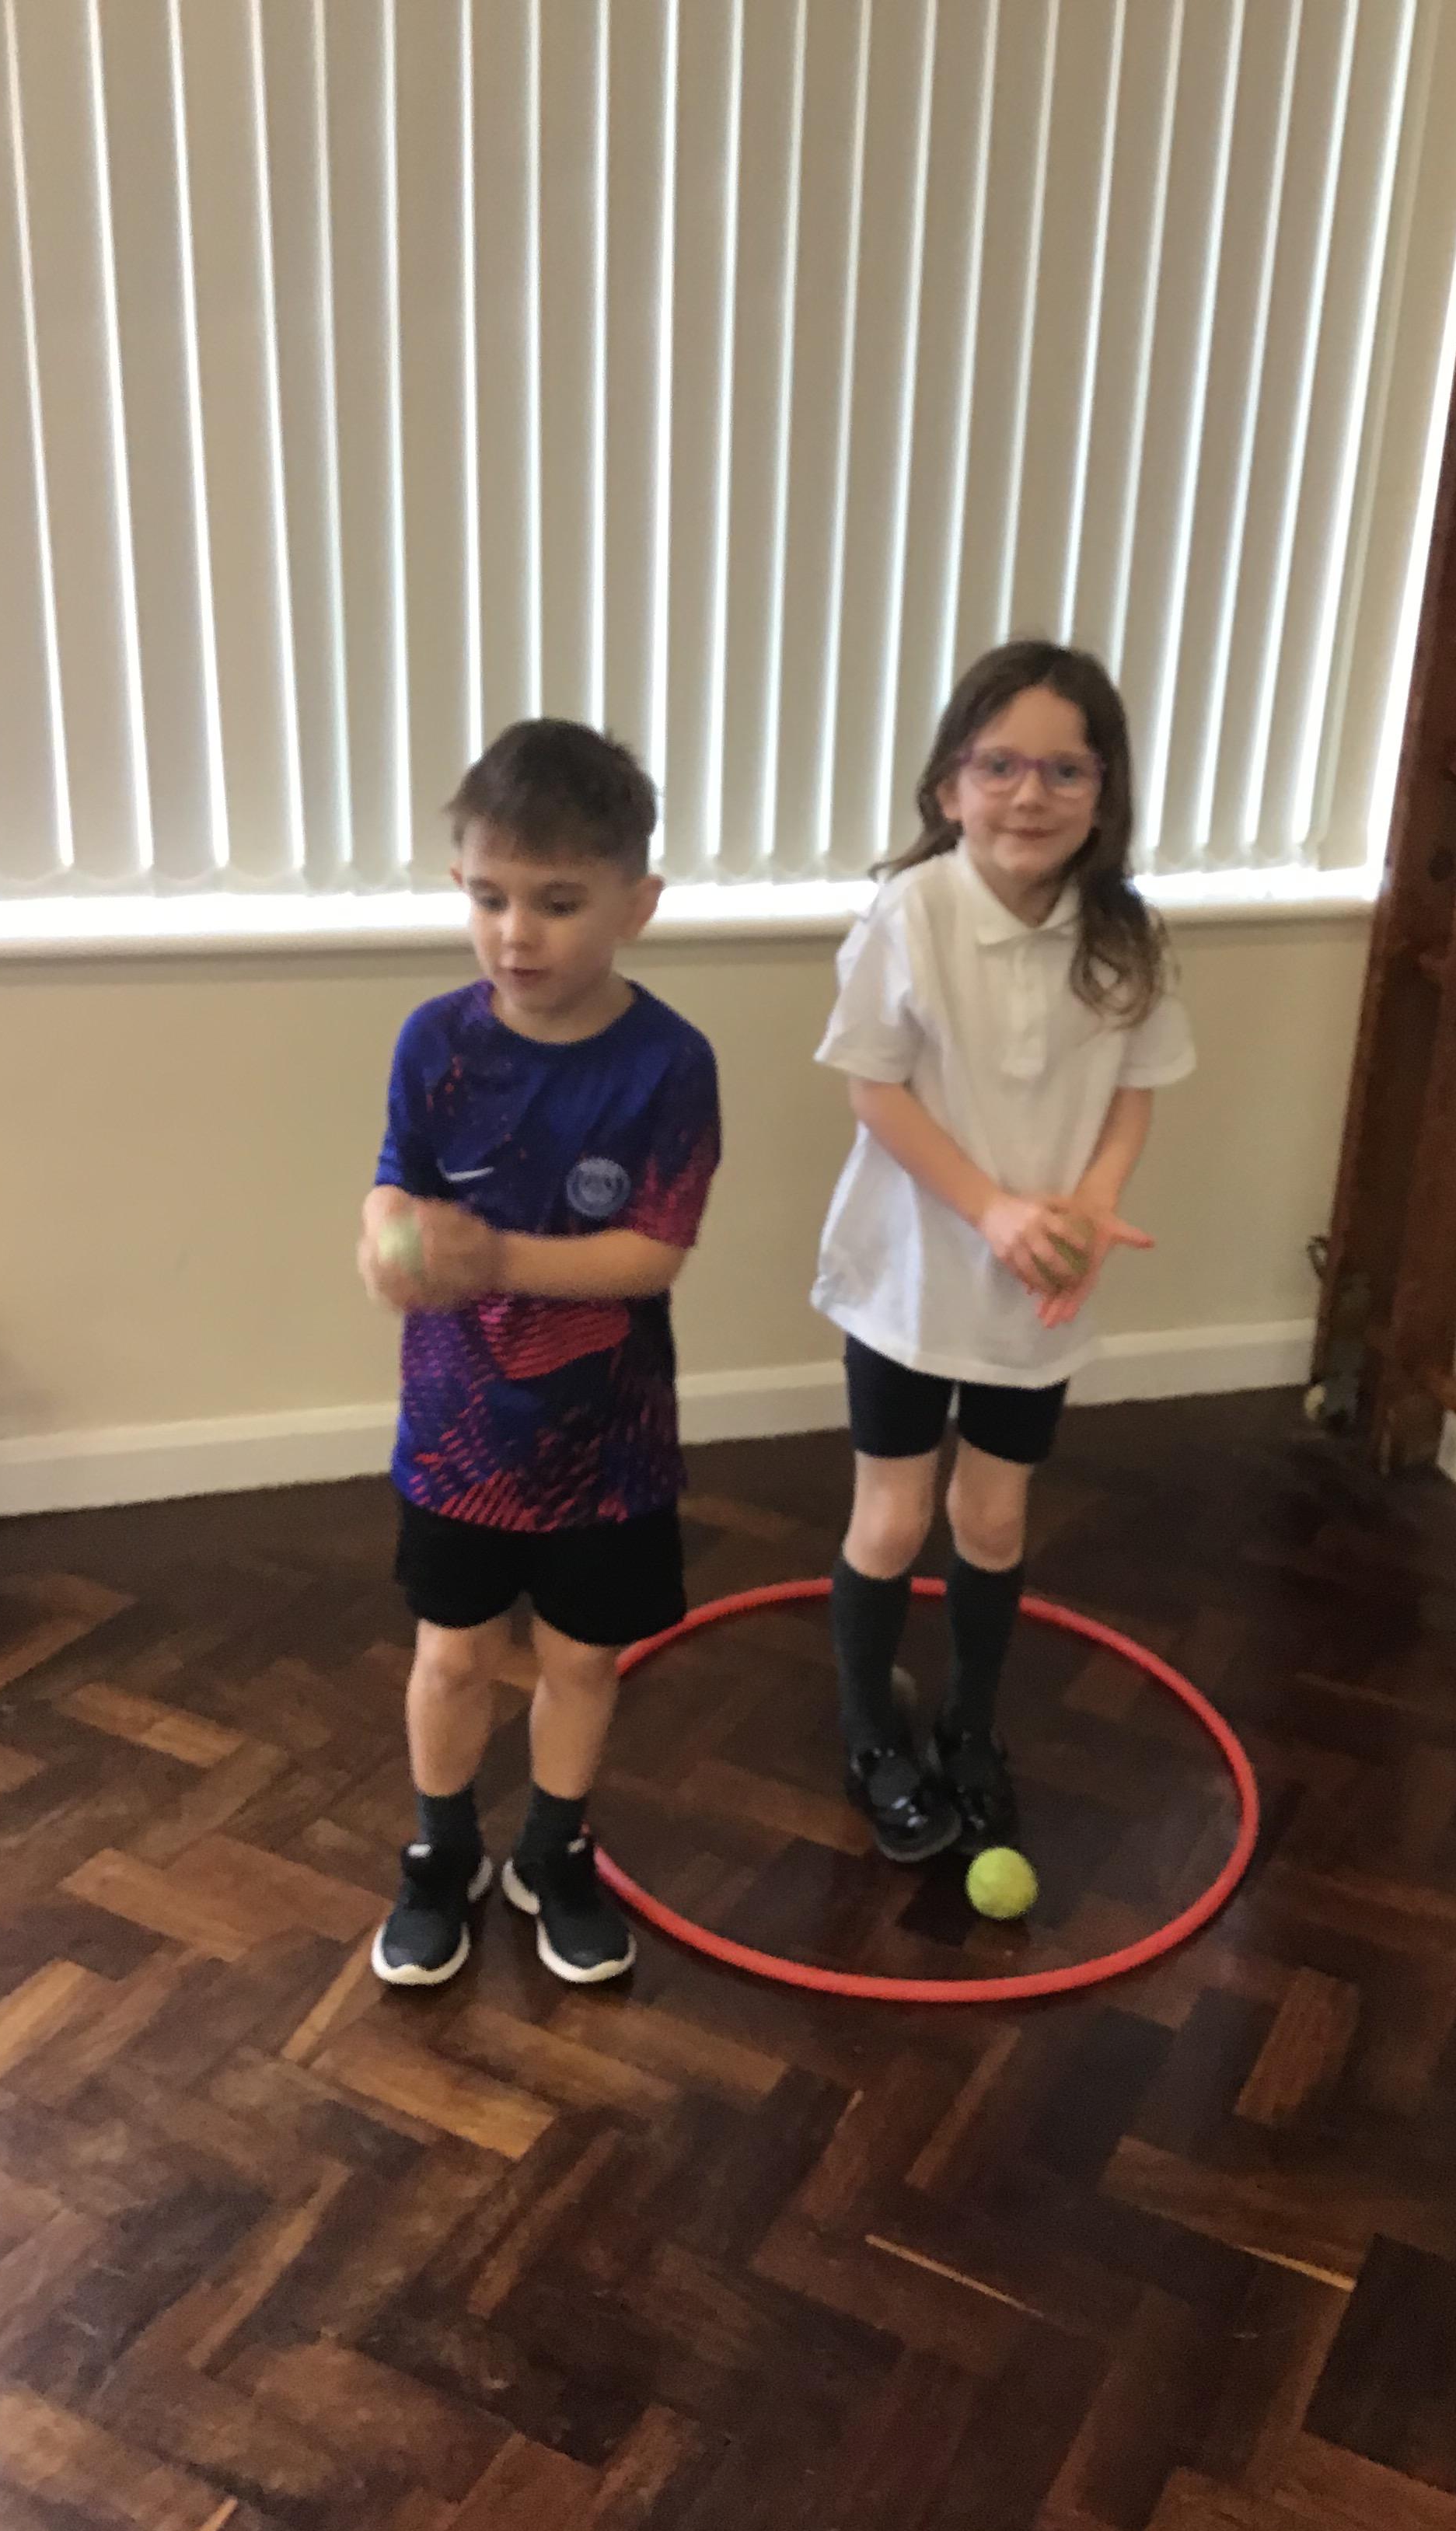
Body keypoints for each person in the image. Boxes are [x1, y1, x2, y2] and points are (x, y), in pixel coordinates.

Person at [812, 640, 1194, 1861]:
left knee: (991, 1518)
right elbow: (875, 1090)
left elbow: (1134, 1089)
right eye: (1000, 766)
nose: (1031, 795)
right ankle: (870, 1735)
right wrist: (991, 1211)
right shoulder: (911, 915)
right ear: (949, 786)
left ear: (1105, 790)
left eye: (1065, 770)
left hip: (1040, 1287)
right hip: (910, 1278)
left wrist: (1092, 1204)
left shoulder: (1126, 935)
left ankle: (971, 1728)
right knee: (892, 1520)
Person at [358, 720, 719, 1987]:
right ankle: (441, 1850)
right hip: (457, 1434)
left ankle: (555, 1850)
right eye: (489, 897)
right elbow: (396, 1182)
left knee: (580, 1658)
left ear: (637, 905)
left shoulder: (670, 1063)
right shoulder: (435, 1044)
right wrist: (383, 1235)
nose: (517, 933)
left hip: (609, 1446)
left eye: (558, 903)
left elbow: (652, 1253)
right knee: (452, 1653)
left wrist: (492, 1258)